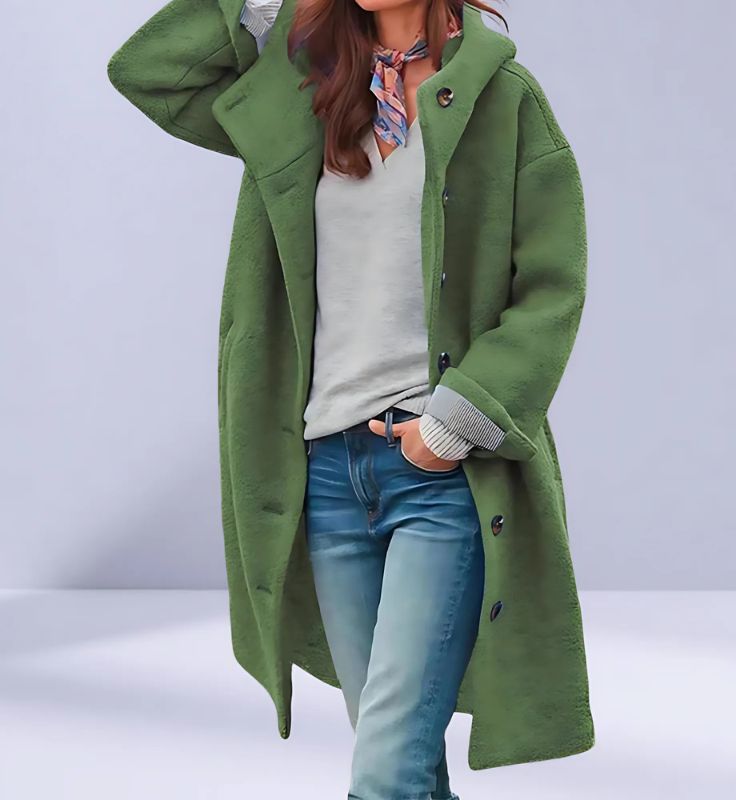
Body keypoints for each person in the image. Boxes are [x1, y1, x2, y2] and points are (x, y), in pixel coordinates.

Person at [107, 1, 596, 797]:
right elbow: (149, 73)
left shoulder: (503, 101)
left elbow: (551, 289)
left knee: (383, 772)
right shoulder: (310, 91)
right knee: (403, 762)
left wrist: (451, 426)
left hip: (438, 473)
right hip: (328, 474)